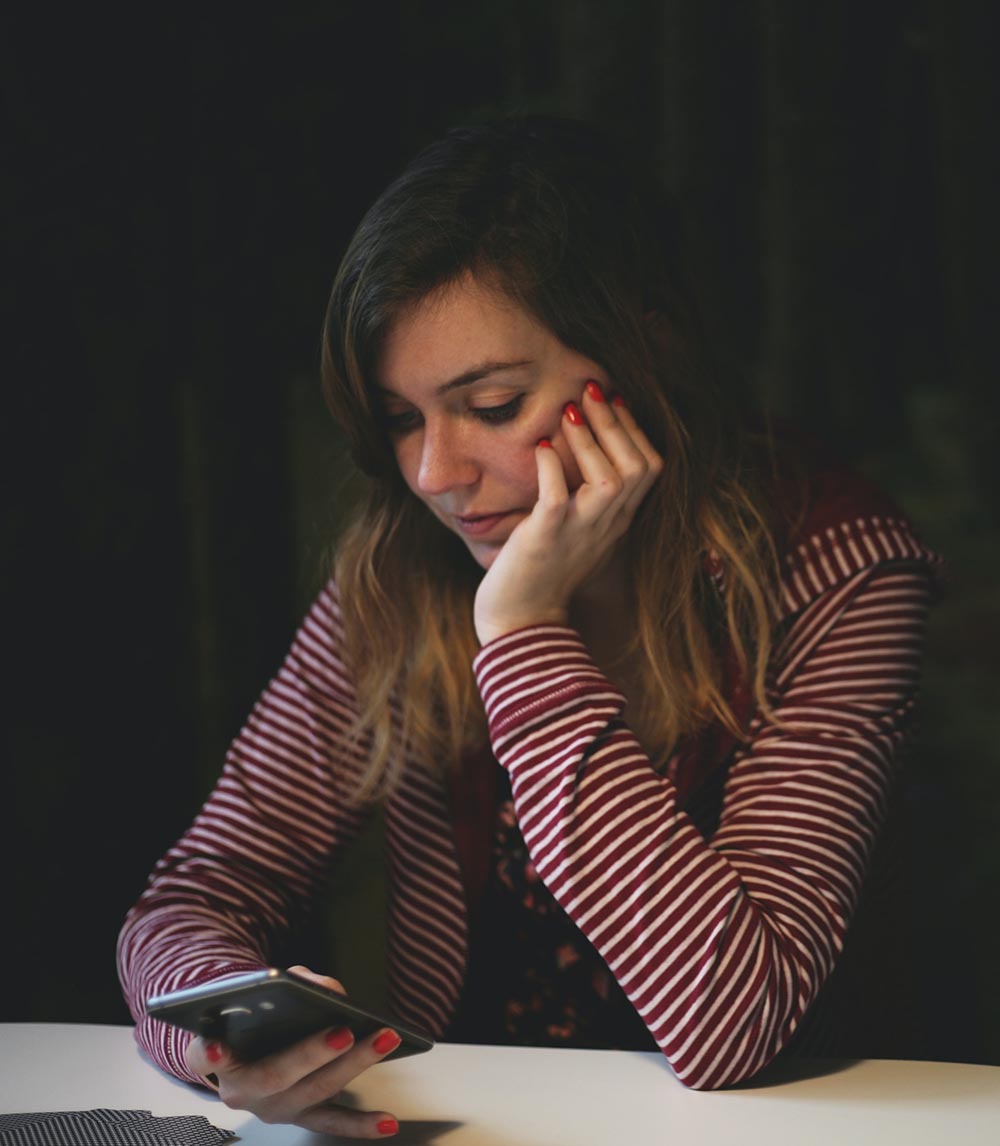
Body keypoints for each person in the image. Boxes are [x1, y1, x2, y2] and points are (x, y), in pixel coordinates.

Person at [118, 115, 942, 1137]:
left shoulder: (835, 565)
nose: (433, 476)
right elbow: (195, 894)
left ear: (647, 349)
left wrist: (519, 629)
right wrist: (221, 1035)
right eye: (402, 418)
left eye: (493, 405)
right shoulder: (399, 572)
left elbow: (730, 1023)